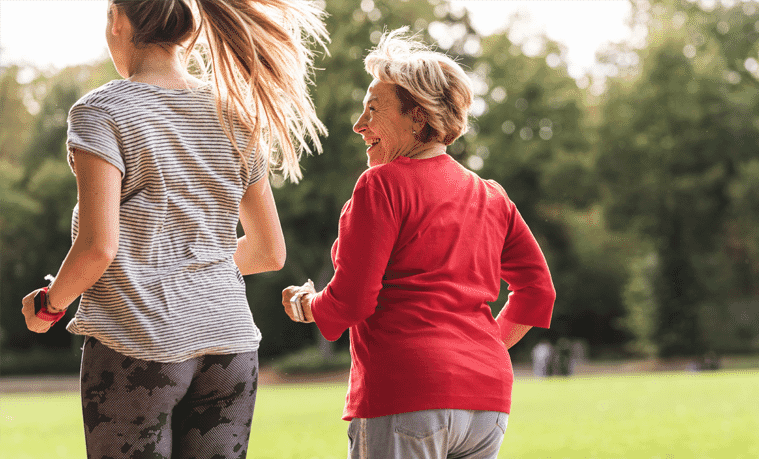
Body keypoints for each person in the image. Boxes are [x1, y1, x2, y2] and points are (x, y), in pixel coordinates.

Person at [21, 1, 327, 457]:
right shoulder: (236, 113)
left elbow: (97, 248)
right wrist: (182, 269)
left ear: (117, 22)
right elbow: (268, 251)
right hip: (230, 348)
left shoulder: (100, 112)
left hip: (137, 346)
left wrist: (48, 306)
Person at [282, 28, 556, 459]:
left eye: (373, 109)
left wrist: (308, 306)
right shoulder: (492, 196)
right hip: (486, 403)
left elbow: (352, 301)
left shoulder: (381, 185)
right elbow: (538, 291)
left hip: (406, 395)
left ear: (418, 117)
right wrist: (476, 349)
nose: (359, 125)